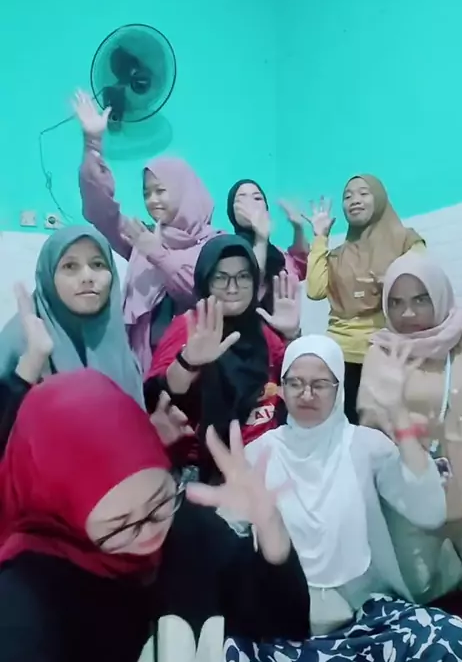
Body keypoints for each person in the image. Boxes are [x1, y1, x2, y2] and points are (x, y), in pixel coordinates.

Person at [0, 368, 314, 662]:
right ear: (61, 512)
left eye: (159, 501)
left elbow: (285, 625)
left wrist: (269, 525)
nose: (149, 534)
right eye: (120, 526)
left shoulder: (185, 529)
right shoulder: (25, 604)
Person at [217, 335, 462, 662]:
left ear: (338, 386)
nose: (307, 394)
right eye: (295, 383)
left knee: (451, 639)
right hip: (291, 626)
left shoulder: (365, 445)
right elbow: (225, 533)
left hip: (366, 617)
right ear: (281, 388)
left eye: (320, 384)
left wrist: (399, 416)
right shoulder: (259, 453)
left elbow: (428, 512)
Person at [358, 251, 462, 605]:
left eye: (420, 299)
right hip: (418, 494)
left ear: (440, 295)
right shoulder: (383, 350)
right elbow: (370, 418)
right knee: (420, 589)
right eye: (396, 303)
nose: (407, 313)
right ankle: (454, 567)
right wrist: (404, 432)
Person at [74, 90, 222, 372]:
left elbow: (200, 294)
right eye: (146, 193)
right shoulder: (142, 236)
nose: (152, 200)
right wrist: (92, 143)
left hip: (193, 371)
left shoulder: (215, 244)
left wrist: (157, 254)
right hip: (141, 366)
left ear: (183, 189)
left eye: (160, 190)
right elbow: (100, 211)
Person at [145, 234, 301, 480]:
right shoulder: (191, 327)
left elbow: (293, 378)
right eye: (221, 277)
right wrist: (188, 363)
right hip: (209, 472)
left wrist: (292, 335)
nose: (233, 288)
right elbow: (159, 394)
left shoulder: (260, 329)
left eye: (243, 276)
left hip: (265, 462)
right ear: (205, 281)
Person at [0, 225, 143, 448]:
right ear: (49, 277)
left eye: (98, 264)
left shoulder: (115, 339)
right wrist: (32, 363)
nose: (87, 277)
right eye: (70, 266)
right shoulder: (20, 340)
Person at [305, 175, 425, 424]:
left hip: (390, 352)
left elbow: (424, 282)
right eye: (348, 196)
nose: (354, 200)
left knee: (390, 430)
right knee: (345, 430)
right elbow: (314, 291)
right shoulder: (336, 255)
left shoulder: (406, 241)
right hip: (341, 357)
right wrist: (320, 237)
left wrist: (393, 283)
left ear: (379, 198)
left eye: (363, 193)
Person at [227, 179, 309, 313]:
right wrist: (261, 238)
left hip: (286, 326)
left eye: (257, 198)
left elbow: (301, 268)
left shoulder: (277, 253)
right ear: (231, 212)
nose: (251, 204)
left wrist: (298, 228)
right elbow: (249, 286)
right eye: (242, 199)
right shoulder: (229, 250)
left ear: (266, 208)